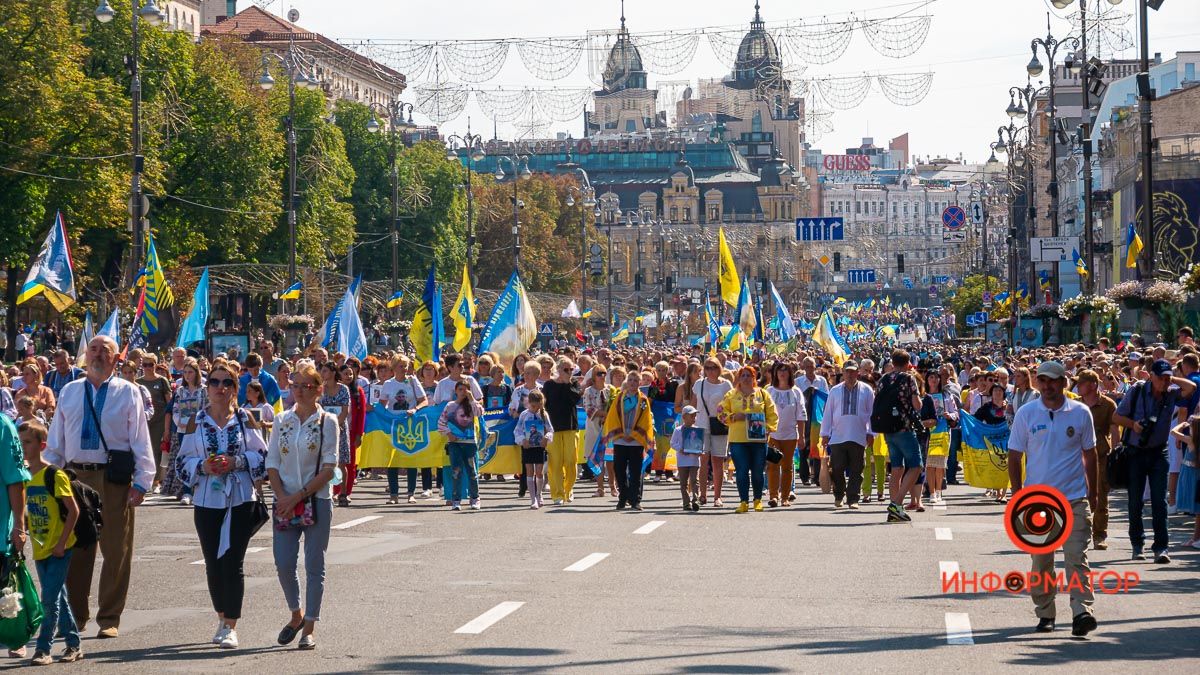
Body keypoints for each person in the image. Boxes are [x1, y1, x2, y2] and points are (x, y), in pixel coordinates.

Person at [46, 335, 155, 639]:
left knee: (116, 550)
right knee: (76, 549)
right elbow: (56, 443)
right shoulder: (69, 391)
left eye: (104, 350)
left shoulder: (128, 392)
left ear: (116, 358)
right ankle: (76, 617)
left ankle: (109, 618)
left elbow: (140, 440)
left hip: (113, 480)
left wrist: (142, 482)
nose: (97, 355)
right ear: (85, 354)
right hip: (74, 477)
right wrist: (48, 479)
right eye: (93, 349)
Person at [176, 362, 268, 650]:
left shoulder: (245, 420)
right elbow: (181, 463)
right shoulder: (196, 422)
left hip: (240, 499)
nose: (220, 388)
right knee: (213, 564)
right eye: (214, 382)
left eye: (227, 383)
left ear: (235, 389)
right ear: (207, 387)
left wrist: (237, 462)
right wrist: (202, 466)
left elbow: (263, 457)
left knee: (233, 563)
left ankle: (231, 625)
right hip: (206, 501)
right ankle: (221, 617)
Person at [1007, 361, 1098, 637]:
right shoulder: (1027, 413)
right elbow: (1014, 455)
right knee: (1042, 562)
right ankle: (1046, 612)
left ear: (1064, 382)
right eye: (1043, 380)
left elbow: (1090, 454)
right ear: (1037, 383)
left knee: (1076, 557)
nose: (1048, 386)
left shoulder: (1080, 413)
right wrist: (1016, 494)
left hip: (1073, 498)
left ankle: (1082, 611)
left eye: (1053, 381)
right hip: (1037, 502)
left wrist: (1092, 493)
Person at [266, 362, 338, 651]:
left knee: (314, 564)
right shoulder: (282, 419)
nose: (298, 391)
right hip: (284, 500)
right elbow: (272, 462)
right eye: (294, 385)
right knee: (284, 563)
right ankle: (295, 613)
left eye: (305, 386)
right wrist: (282, 496)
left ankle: (309, 626)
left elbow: (330, 467)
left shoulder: (327, 421)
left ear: (319, 390)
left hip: (315, 500)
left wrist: (297, 497)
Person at [1111, 358, 1195, 563]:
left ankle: (1161, 548)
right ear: (1152, 377)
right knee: (1135, 502)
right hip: (1135, 452)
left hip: (1159, 453)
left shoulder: (1171, 393)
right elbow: (1116, 417)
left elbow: (1192, 387)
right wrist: (1134, 425)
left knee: (1160, 501)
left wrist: (1170, 376)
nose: (1165, 383)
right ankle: (1137, 545)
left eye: (1168, 379)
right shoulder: (1137, 391)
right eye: (1161, 378)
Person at [19, 420, 82, 665]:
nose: (23, 447)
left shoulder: (54, 474)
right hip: (40, 547)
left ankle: (43, 649)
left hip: (60, 547)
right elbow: (25, 512)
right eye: (20, 442)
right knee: (59, 598)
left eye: (27, 442)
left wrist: (61, 543)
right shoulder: (24, 476)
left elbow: (73, 511)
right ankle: (74, 645)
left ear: (41, 445)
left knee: (49, 599)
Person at [875, 350, 925, 524]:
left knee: (896, 469)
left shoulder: (883, 380)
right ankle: (896, 504)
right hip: (904, 427)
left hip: (887, 429)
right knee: (916, 466)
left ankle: (895, 508)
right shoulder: (908, 378)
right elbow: (917, 405)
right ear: (908, 363)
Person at [719, 366, 778, 513]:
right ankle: (743, 501)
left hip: (758, 440)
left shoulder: (763, 394)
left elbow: (772, 414)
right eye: (743, 375)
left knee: (758, 471)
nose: (745, 378)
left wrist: (768, 429)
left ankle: (757, 500)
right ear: (738, 378)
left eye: (749, 375)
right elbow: (720, 412)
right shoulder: (731, 394)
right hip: (738, 440)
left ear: (754, 378)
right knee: (741, 470)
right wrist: (732, 417)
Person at [1075, 369, 1119, 551]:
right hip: (1076, 456)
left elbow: (1115, 430)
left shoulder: (1108, 404)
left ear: (1092, 385)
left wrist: (1117, 453)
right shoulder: (1074, 404)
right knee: (1075, 495)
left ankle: (1099, 535)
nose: (1077, 386)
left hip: (1100, 455)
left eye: (1081, 383)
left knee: (1101, 495)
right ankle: (1076, 533)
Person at [822, 362, 873, 510]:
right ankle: (839, 495)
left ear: (858, 373)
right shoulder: (835, 391)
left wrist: (871, 433)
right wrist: (825, 434)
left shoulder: (867, 390)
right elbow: (828, 413)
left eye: (853, 372)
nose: (850, 375)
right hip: (837, 436)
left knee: (857, 469)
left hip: (858, 436)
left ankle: (853, 498)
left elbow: (871, 413)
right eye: (847, 372)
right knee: (837, 468)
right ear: (843, 373)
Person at [602, 368, 654, 511]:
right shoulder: (619, 397)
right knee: (619, 469)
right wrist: (622, 433)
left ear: (640, 383)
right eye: (630, 380)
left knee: (636, 471)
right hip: (620, 439)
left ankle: (635, 499)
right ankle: (622, 497)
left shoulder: (642, 399)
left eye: (635, 380)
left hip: (636, 440)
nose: (632, 383)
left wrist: (634, 434)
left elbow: (645, 420)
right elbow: (613, 416)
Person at [163, 358, 206, 503]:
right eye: (185, 372)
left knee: (200, 457)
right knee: (186, 459)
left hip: (199, 429)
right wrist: (180, 423)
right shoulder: (180, 390)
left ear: (196, 373)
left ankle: (199, 489)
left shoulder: (204, 390)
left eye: (190, 372)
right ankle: (187, 491)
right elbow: (174, 409)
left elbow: (207, 408)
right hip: (182, 430)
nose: (187, 375)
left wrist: (197, 422)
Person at [437, 380, 484, 510]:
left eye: (465, 389)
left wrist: (472, 398)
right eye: (460, 389)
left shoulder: (471, 405)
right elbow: (441, 423)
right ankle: (456, 500)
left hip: (470, 443)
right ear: (456, 391)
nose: (463, 392)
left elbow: (480, 413)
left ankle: (475, 498)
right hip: (454, 444)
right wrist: (448, 433)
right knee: (456, 472)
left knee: (472, 472)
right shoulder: (450, 406)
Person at [542, 358, 582, 505]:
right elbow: (545, 405)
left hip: (571, 427)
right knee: (555, 462)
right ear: (558, 369)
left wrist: (567, 383)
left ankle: (568, 489)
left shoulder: (574, 384)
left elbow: (575, 399)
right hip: (554, 428)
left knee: (571, 461)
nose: (569, 372)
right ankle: (557, 494)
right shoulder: (549, 385)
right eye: (566, 369)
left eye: (571, 369)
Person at [766, 362, 806, 507]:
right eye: (779, 371)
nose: (782, 373)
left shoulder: (796, 392)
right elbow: (763, 412)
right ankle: (773, 496)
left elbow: (801, 416)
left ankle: (785, 497)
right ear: (775, 374)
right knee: (772, 465)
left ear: (790, 373)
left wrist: (801, 436)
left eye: (785, 371)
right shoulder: (769, 391)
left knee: (788, 467)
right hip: (773, 435)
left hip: (790, 435)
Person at [693, 357, 732, 507]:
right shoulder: (699, 384)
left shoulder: (726, 385)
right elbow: (693, 404)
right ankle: (702, 495)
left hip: (720, 425)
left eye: (713, 367)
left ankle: (717, 496)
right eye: (707, 367)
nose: (710, 370)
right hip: (701, 424)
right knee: (703, 461)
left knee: (717, 461)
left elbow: (730, 405)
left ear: (719, 368)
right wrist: (689, 424)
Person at [920, 369, 958, 506]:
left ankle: (938, 491)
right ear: (927, 380)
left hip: (943, 432)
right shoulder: (923, 396)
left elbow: (955, 413)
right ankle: (931, 492)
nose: (934, 380)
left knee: (940, 464)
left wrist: (950, 416)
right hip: (927, 432)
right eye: (931, 377)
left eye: (936, 377)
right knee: (929, 464)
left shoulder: (947, 395)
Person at [137, 353, 172, 493]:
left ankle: (157, 481)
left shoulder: (162, 381)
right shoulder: (138, 381)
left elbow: (169, 403)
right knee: (144, 450)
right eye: (145, 365)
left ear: (155, 365)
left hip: (159, 420)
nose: (147, 367)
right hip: (143, 420)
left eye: (150, 364)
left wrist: (167, 427)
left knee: (157, 450)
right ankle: (144, 480)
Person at [316, 362, 350, 506]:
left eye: (324, 371)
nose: (322, 374)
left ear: (332, 372)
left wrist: (336, 425)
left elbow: (344, 411)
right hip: (323, 428)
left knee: (341, 462)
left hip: (340, 428)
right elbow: (318, 407)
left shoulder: (343, 389)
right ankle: (327, 491)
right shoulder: (320, 389)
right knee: (325, 461)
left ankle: (343, 492)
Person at [515, 390, 552, 509]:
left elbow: (550, 429)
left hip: (539, 447)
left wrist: (546, 438)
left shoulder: (544, 414)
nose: (536, 409)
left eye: (539, 406)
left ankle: (539, 494)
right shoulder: (524, 415)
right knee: (529, 471)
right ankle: (533, 499)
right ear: (529, 403)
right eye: (534, 406)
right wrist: (522, 440)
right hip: (528, 447)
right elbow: (517, 430)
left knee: (539, 472)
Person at [583, 367, 617, 497]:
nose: (602, 376)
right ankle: (600, 487)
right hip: (594, 427)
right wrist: (604, 414)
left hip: (609, 428)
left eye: (604, 373)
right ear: (593, 376)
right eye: (599, 373)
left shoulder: (611, 389)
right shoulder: (588, 391)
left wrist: (609, 416)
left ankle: (613, 487)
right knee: (597, 457)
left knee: (610, 458)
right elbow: (588, 409)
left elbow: (616, 406)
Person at [671, 405, 703, 511]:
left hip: (694, 460)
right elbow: (672, 443)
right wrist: (681, 449)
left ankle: (695, 500)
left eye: (695, 416)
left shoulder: (697, 430)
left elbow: (700, 444)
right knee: (683, 483)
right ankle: (686, 502)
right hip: (682, 461)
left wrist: (700, 451)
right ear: (684, 417)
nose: (694, 418)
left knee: (694, 480)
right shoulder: (678, 430)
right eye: (691, 416)